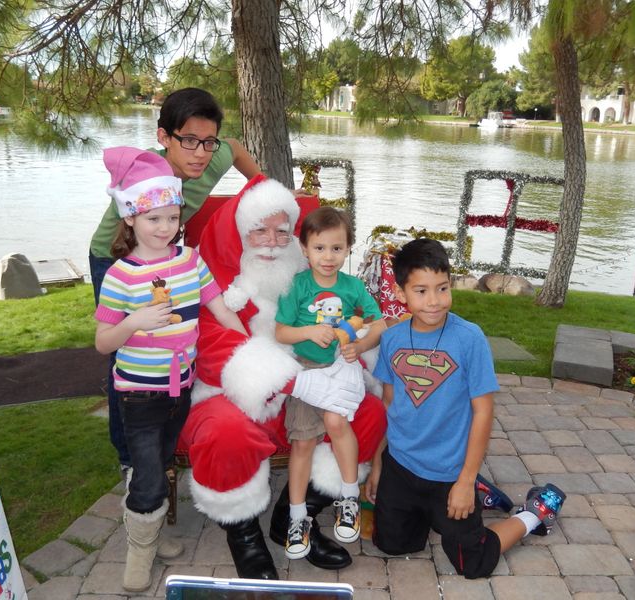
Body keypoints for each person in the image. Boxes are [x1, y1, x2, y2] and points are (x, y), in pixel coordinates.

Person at [177, 175, 388, 580]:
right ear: (239, 234)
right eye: (259, 230)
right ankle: (243, 534)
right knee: (223, 432)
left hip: (307, 384)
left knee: (369, 413)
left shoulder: (309, 282)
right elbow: (214, 350)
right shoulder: (214, 286)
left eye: (281, 231)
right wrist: (296, 381)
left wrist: (353, 347)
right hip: (232, 393)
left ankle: (295, 515)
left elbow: (349, 320)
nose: (273, 241)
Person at [94, 147, 248, 593]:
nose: (165, 228)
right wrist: (133, 322)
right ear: (130, 220)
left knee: (160, 465)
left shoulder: (189, 261)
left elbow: (218, 307)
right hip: (139, 393)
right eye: (152, 219)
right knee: (145, 472)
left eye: (171, 217)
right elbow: (103, 342)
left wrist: (248, 344)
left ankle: (151, 530)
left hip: (181, 386)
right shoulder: (121, 275)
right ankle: (139, 553)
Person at [366, 238, 566, 579]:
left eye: (442, 288)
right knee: (392, 544)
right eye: (421, 290)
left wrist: (465, 480)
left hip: (450, 472)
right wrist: (377, 465)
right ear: (401, 294)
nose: (434, 301)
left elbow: (483, 412)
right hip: (401, 465)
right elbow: (390, 404)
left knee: (473, 563)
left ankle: (532, 513)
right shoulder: (392, 338)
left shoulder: (469, 338)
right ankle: (466, 500)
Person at [89, 88, 261, 474]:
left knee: (175, 334)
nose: (200, 152)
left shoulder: (215, 152)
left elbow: (233, 148)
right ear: (163, 137)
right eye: (188, 140)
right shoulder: (148, 174)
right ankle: (130, 459)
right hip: (114, 257)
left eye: (207, 141)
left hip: (166, 258)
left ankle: (170, 436)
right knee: (125, 351)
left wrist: (263, 182)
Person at [275, 206, 387, 558]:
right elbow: (280, 331)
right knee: (304, 442)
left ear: (348, 249)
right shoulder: (297, 285)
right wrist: (309, 330)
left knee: (338, 421)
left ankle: (349, 497)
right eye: (319, 248)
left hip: (341, 366)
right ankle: (297, 517)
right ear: (305, 249)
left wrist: (358, 344)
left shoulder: (353, 287)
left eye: (336, 248)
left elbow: (379, 322)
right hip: (307, 371)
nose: (328, 256)